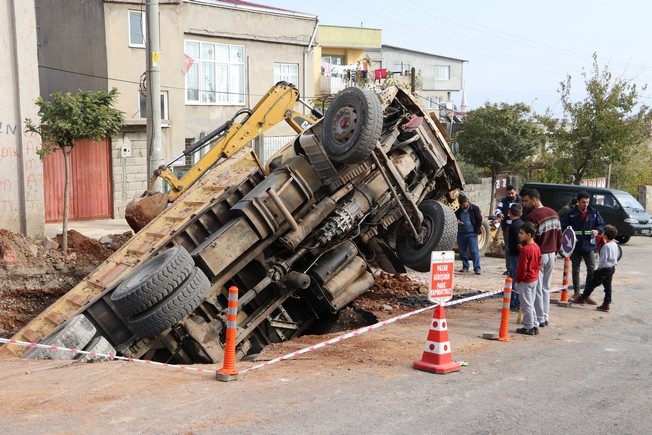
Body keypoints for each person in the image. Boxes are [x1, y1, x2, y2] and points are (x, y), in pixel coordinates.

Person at [521, 188, 562, 328]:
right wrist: (556, 251)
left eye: (526, 201)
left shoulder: (533, 216)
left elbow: (531, 238)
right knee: (546, 287)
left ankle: (539, 319)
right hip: (552, 254)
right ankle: (545, 316)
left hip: (540, 255)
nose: (524, 204)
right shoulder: (554, 213)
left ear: (534, 199)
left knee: (537, 289)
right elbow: (559, 235)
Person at [560, 191, 605, 303]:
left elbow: (601, 225)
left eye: (587, 202)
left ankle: (586, 295)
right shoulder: (571, 214)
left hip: (589, 246)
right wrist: (569, 237)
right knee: (575, 270)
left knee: (591, 271)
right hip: (576, 247)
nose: (585, 204)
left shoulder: (594, 213)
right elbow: (563, 227)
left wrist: (597, 230)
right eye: (583, 202)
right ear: (578, 202)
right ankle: (576, 293)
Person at [570, 225, 619, 312]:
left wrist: (599, 269)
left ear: (605, 235)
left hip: (604, 269)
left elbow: (603, 260)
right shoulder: (614, 244)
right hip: (612, 268)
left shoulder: (606, 246)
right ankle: (606, 303)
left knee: (592, 284)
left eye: (603, 232)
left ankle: (583, 297)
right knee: (608, 287)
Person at [514, 222, 542, 335]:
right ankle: (534, 324)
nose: (520, 235)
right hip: (534, 278)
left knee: (526, 304)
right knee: (530, 303)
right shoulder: (536, 247)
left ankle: (529, 326)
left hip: (526, 280)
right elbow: (540, 263)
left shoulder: (526, 249)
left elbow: (522, 267)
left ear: (529, 235)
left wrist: (519, 279)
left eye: (522, 233)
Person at [493, 185, 522, 274]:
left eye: (512, 193)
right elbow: (497, 209)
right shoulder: (504, 200)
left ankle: (519, 267)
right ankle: (509, 268)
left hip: (518, 227)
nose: (510, 195)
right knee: (508, 248)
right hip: (507, 228)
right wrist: (499, 214)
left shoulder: (520, 201)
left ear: (515, 192)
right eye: (508, 193)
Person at [455, 195, 483, 275]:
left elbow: (479, 219)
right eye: (462, 205)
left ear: (468, 202)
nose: (464, 206)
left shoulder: (474, 209)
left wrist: (476, 230)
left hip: (472, 233)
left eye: (465, 204)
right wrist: (458, 222)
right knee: (462, 251)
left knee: (474, 251)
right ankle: (465, 266)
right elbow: (455, 218)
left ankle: (477, 268)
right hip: (461, 233)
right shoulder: (458, 211)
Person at [506, 203, 525, 311]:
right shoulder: (522, 223)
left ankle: (515, 303)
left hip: (515, 256)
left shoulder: (514, 226)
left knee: (515, 280)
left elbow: (518, 243)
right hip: (518, 255)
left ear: (510, 213)